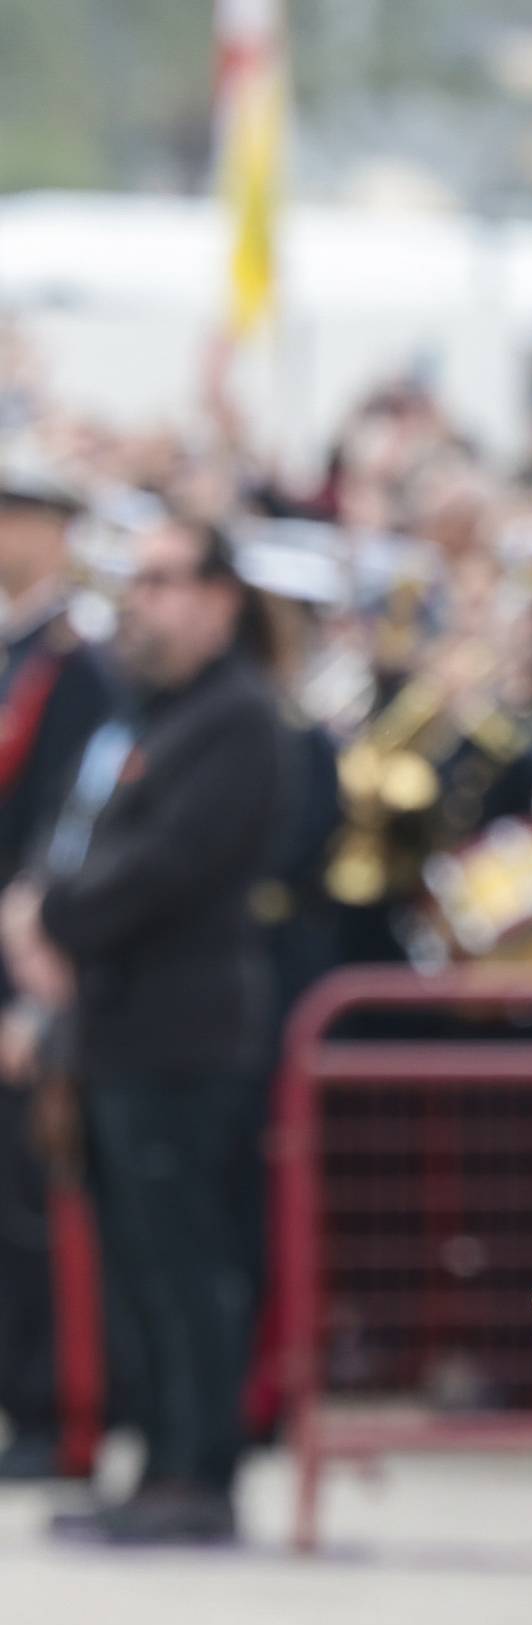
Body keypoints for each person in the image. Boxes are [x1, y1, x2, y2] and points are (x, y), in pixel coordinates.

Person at [4, 517, 282, 1545]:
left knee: (184, 1261)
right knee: (139, 1262)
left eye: (165, 580)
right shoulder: (156, 712)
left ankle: (195, 1474)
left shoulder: (239, 717)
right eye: (138, 580)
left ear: (222, 596)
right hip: (125, 1027)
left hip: (185, 1030)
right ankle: (155, 1463)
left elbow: (169, 864)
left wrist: (55, 919)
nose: (142, 600)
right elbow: (89, 838)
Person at [0, 457, 112, 1481]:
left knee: (30, 1204)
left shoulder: (73, 663)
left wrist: (33, 996)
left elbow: (57, 833)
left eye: (20, 516)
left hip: (30, 969)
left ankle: (46, 1411)